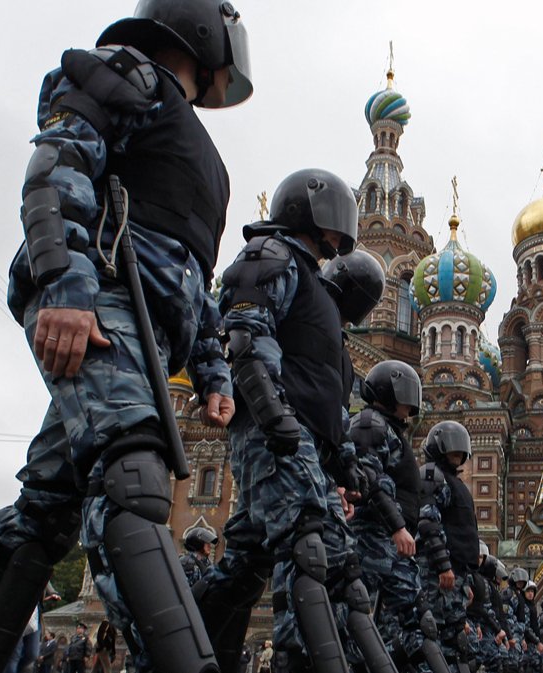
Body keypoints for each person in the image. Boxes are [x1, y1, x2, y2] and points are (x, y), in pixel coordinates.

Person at [0, 2, 252, 673]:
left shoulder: (204, 154)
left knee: (44, 511)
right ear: (205, 32)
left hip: (149, 338)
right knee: (134, 474)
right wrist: (65, 290)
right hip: (100, 303)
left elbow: (193, 276)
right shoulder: (125, 75)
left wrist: (212, 370)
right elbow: (57, 171)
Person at [193, 168, 366, 673]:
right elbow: (245, 337)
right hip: (277, 434)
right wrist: (273, 414)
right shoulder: (271, 255)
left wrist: (341, 464)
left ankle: (186, 648)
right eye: (333, 218)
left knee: (248, 563)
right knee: (311, 546)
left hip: (298, 437)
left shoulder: (312, 282)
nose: (339, 234)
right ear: (307, 213)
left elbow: (327, 394)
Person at [346, 358, 425, 670]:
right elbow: (370, 480)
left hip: (393, 543)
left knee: (417, 619)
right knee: (356, 612)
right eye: (406, 395)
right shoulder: (370, 424)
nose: (410, 406)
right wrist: (396, 526)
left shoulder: (389, 430)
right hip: (372, 538)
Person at [418, 421, 481, 671]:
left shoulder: (455, 483)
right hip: (438, 575)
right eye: (452, 448)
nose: (457, 453)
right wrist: (443, 566)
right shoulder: (434, 476)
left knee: (454, 641)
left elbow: (463, 534)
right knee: (432, 633)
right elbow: (428, 523)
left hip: (456, 576)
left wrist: (466, 581)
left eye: (460, 449)